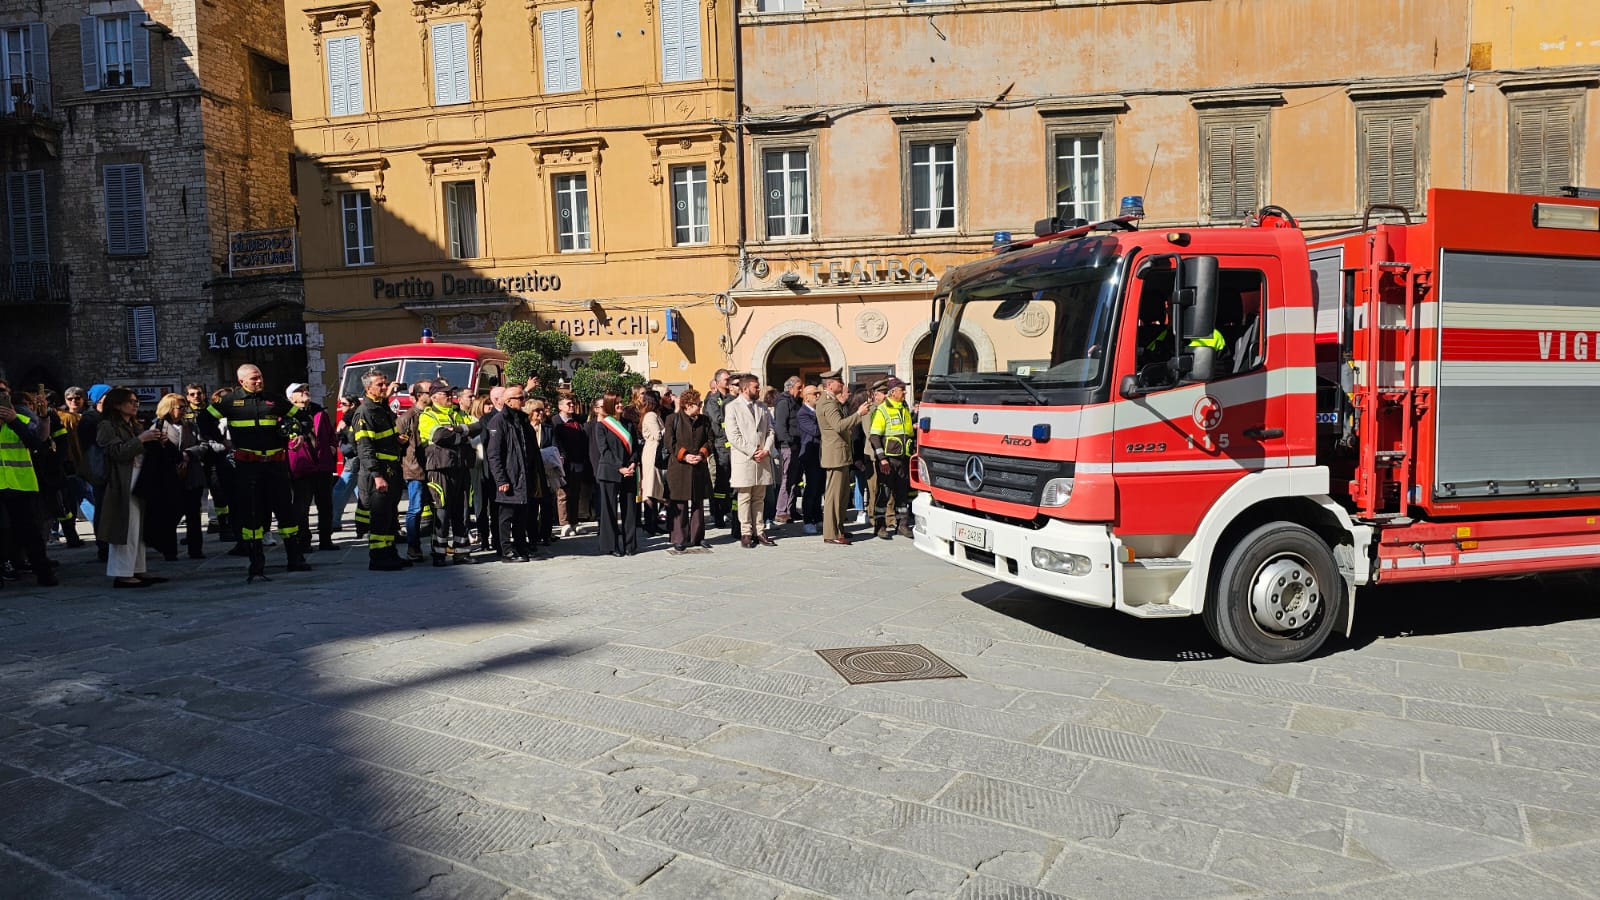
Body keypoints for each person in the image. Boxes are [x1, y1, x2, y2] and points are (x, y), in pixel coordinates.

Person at [198, 365, 309, 581]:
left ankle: (295, 559)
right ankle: (256, 564)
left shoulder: (274, 400)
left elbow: (303, 418)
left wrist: (299, 434)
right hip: (248, 468)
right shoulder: (230, 402)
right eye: (254, 378)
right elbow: (204, 419)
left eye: (260, 377)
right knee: (252, 516)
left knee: (286, 513)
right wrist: (222, 440)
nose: (259, 381)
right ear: (242, 382)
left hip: (276, 466)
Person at [94, 387, 162, 588]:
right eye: (130, 401)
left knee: (138, 527)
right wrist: (142, 439)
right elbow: (116, 452)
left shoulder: (132, 424)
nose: (135, 404)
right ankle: (122, 573)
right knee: (126, 527)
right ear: (117, 404)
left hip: (138, 477)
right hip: (121, 481)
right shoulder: (106, 426)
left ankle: (137, 568)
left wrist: (154, 440)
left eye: (136, 401)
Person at [0, 379, 59, 587]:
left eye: (3, 392)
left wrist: (14, 420)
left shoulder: (20, 419)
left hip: (21, 484)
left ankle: (42, 571)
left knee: (30, 531)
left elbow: (37, 444)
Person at [352, 369, 410, 571]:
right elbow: (365, 447)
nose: (385, 387)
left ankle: (390, 553)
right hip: (378, 473)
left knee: (389, 516)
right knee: (379, 517)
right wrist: (376, 475)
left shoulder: (382, 408)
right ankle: (378, 557)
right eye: (380, 385)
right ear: (368, 388)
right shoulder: (365, 412)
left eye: (385, 383)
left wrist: (398, 441)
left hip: (391, 469)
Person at [418, 381, 480, 565]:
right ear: (435, 396)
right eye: (445, 394)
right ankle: (439, 554)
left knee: (462, 513)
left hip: (461, 467)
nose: (450, 396)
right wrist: (463, 437)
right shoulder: (428, 415)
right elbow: (439, 436)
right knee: (442, 512)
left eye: (451, 393)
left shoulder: (458, 413)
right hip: (440, 470)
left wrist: (459, 430)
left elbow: (478, 427)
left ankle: (462, 553)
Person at [815, 371, 870, 545]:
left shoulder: (831, 401)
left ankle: (839, 529)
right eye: (839, 382)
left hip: (839, 453)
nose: (842, 384)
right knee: (834, 495)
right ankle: (832, 533)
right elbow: (839, 426)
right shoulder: (828, 403)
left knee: (842, 495)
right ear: (830, 385)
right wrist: (858, 414)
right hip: (835, 455)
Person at [485, 384, 538, 562]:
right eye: (520, 398)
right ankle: (506, 550)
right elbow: (493, 454)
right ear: (508, 401)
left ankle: (521, 547)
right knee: (506, 516)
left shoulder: (522, 420)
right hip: (509, 477)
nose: (523, 400)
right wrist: (501, 479)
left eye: (523, 397)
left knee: (522, 515)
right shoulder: (498, 421)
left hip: (524, 476)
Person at [723, 374, 777, 548]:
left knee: (759, 497)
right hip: (745, 458)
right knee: (745, 496)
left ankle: (759, 530)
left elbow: (770, 430)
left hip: (762, 458)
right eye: (755, 387)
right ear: (745, 388)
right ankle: (745, 532)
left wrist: (766, 449)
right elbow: (733, 436)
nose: (759, 389)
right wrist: (753, 451)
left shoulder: (762, 407)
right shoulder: (732, 407)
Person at [285, 382, 338, 553]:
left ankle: (325, 539)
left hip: (323, 465)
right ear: (291, 398)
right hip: (301, 467)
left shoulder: (319, 411)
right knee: (302, 506)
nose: (304, 392)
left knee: (326, 505)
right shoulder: (285, 415)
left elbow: (330, 433)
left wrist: (332, 446)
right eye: (299, 391)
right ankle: (304, 541)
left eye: (305, 389)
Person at [144, 393, 196, 561]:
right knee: (171, 515)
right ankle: (169, 551)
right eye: (180, 407)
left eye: (184, 408)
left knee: (193, 513)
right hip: (169, 477)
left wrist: (188, 454)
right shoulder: (157, 428)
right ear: (168, 408)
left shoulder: (191, 426)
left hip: (191, 475)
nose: (183, 411)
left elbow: (204, 444)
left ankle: (196, 550)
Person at [590, 392, 640, 557]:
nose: (620, 405)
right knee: (609, 510)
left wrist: (632, 463)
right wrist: (620, 467)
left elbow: (635, 448)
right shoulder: (602, 425)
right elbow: (604, 451)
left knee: (630, 509)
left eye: (621, 402)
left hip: (629, 471)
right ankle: (611, 546)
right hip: (610, 471)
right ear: (610, 405)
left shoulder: (628, 424)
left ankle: (630, 545)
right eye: (617, 403)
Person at [664, 389, 713, 553]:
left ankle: (698, 536)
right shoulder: (673, 419)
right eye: (698, 404)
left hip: (698, 467)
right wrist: (684, 456)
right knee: (679, 502)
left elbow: (710, 440)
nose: (700, 407)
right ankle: (679, 538)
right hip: (679, 468)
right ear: (688, 405)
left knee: (698, 502)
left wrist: (701, 454)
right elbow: (669, 443)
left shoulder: (705, 420)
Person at [869, 376, 916, 539]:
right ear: (893, 392)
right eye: (902, 389)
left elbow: (909, 433)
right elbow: (874, 436)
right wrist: (882, 458)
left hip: (903, 459)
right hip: (888, 461)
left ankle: (902, 524)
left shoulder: (904, 408)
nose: (905, 392)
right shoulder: (882, 409)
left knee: (902, 494)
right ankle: (879, 526)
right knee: (884, 493)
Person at [396, 380, 434, 562]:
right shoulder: (407, 418)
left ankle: (438, 545)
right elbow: (399, 446)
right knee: (415, 508)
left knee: (437, 508)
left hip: (433, 467)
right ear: (420, 395)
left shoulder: (433, 413)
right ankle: (413, 547)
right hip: (415, 469)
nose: (433, 394)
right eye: (430, 391)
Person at [553, 393, 590, 536]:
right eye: (568, 404)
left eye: (573, 403)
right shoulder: (555, 422)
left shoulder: (578, 422)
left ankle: (574, 521)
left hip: (578, 462)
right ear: (560, 406)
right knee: (563, 494)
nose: (572, 406)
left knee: (576, 493)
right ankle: (564, 522)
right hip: (563, 463)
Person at [526, 397, 560, 545]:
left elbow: (554, 447)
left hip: (546, 472)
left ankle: (546, 535)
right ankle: (533, 537)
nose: (541, 413)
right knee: (532, 507)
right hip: (531, 472)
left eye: (541, 410)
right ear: (529, 412)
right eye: (537, 410)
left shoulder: (548, 428)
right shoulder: (524, 428)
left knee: (547, 505)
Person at [476, 386, 505, 552]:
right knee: (495, 508)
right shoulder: (487, 420)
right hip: (494, 471)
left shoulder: (512, 416)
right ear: (497, 400)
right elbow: (488, 447)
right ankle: (496, 540)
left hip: (511, 468)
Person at [704, 369, 734, 531]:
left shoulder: (732, 399)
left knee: (732, 481)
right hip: (720, 444)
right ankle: (718, 513)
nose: (728, 382)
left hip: (733, 443)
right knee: (721, 481)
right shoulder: (713, 401)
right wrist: (732, 421)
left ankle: (729, 510)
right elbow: (718, 421)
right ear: (717, 382)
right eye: (726, 379)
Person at [771, 376, 802, 525]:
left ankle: (791, 510)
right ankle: (781, 511)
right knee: (786, 479)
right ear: (790, 388)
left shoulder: (795, 402)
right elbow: (780, 426)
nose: (801, 391)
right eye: (799, 388)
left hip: (796, 445)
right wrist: (787, 440)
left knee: (794, 480)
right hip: (787, 446)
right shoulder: (784, 402)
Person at [637, 391, 667, 536]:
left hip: (655, 452)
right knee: (650, 488)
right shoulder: (650, 416)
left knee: (655, 489)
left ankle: (653, 522)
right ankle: (650, 523)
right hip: (652, 453)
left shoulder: (654, 415)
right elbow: (658, 435)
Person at [796, 384, 824, 534]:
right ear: (807, 397)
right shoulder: (803, 413)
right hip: (810, 454)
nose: (818, 396)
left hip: (820, 454)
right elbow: (815, 430)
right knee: (811, 488)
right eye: (815, 394)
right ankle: (807, 520)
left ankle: (818, 518)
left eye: (819, 393)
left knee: (819, 488)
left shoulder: (817, 411)